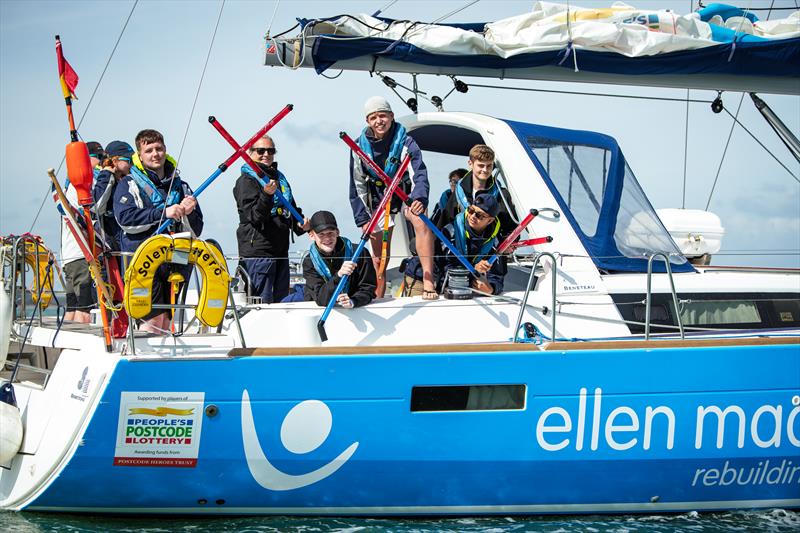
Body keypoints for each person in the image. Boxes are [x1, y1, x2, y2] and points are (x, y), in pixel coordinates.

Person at [113, 129, 203, 333]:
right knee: (152, 321)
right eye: (149, 150)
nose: (155, 154)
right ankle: (147, 356)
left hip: (176, 259)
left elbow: (197, 229)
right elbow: (125, 219)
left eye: (159, 149)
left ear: (165, 150)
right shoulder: (129, 184)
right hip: (144, 258)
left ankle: (167, 360)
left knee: (168, 319)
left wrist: (189, 212)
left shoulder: (182, 186)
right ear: (140, 155)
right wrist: (164, 213)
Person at [349, 96, 437, 300]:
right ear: (368, 121)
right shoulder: (358, 147)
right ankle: (376, 291)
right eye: (373, 117)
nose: (379, 121)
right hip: (378, 196)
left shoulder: (407, 142)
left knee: (422, 222)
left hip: (403, 192)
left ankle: (428, 279)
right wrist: (362, 218)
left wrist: (419, 199)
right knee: (379, 252)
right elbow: (357, 184)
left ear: (391, 116)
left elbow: (419, 173)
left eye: (382, 115)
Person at [233, 135, 309, 303]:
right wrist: (266, 195)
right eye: (260, 150)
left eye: (271, 150)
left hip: (280, 252)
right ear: (250, 153)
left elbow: (291, 208)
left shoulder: (280, 179)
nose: (266, 154)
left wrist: (301, 224)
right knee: (261, 304)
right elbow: (254, 216)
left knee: (281, 303)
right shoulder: (246, 181)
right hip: (259, 254)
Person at [60, 140, 104, 323]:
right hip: (81, 253)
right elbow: (95, 207)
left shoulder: (69, 185)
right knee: (85, 309)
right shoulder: (86, 182)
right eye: (99, 158)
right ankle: (78, 345)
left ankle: (67, 347)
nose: (102, 162)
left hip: (69, 255)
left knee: (73, 307)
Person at [438, 144, 518, 241]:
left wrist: (508, 242)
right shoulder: (460, 191)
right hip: (459, 249)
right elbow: (445, 221)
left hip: (489, 251)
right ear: (470, 164)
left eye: (489, 166)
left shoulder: (502, 194)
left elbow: (511, 228)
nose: (485, 170)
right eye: (481, 165)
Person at [302, 210, 376, 309]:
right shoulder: (309, 261)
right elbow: (321, 298)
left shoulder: (359, 252)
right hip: (321, 313)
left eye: (330, 233)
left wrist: (354, 301)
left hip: (356, 310)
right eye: (321, 235)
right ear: (311, 235)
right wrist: (339, 275)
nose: (327, 238)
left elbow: (368, 288)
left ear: (337, 232)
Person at [443, 193, 507, 295]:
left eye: (480, 215)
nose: (472, 216)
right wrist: (474, 271)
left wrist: (491, 289)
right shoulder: (450, 232)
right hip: (446, 290)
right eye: (471, 210)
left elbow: (498, 276)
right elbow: (444, 267)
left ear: (490, 220)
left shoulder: (496, 242)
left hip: (473, 295)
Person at [93, 140, 134, 252]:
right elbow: (96, 207)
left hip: (123, 240)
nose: (132, 164)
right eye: (129, 160)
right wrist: (107, 174)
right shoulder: (99, 177)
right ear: (115, 161)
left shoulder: (126, 180)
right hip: (108, 244)